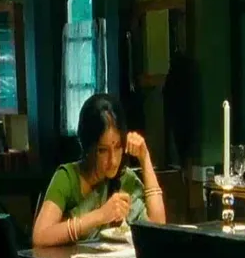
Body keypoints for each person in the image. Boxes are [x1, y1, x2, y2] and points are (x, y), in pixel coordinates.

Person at [32, 93, 166, 247]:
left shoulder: (124, 178)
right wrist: (101, 215)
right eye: (103, 150)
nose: (113, 160)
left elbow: (158, 228)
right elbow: (40, 237)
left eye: (118, 147)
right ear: (88, 147)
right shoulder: (67, 178)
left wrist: (145, 157)